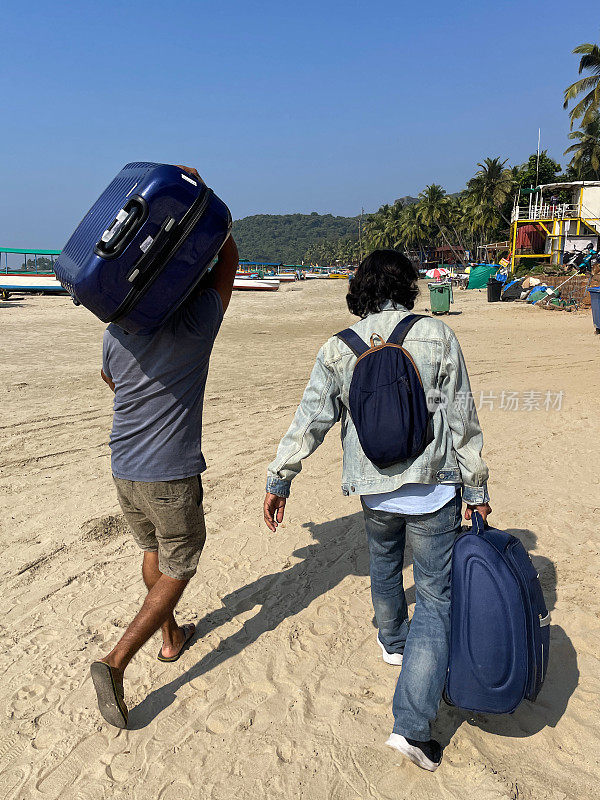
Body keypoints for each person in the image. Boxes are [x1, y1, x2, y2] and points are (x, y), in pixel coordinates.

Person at [263, 249, 490, 772]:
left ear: (360, 290)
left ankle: (392, 643)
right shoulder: (436, 337)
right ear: (408, 286)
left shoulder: (338, 349)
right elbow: (463, 420)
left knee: (384, 562)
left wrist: (281, 477)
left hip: (374, 490)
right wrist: (476, 489)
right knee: (436, 599)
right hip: (434, 488)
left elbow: (311, 420)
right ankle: (412, 727)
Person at [91, 167, 239, 729]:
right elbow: (228, 258)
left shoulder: (115, 332)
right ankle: (114, 660)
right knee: (181, 559)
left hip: (123, 466)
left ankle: (171, 636)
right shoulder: (197, 324)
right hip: (169, 471)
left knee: (151, 549)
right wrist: (202, 199)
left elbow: (110, 382)